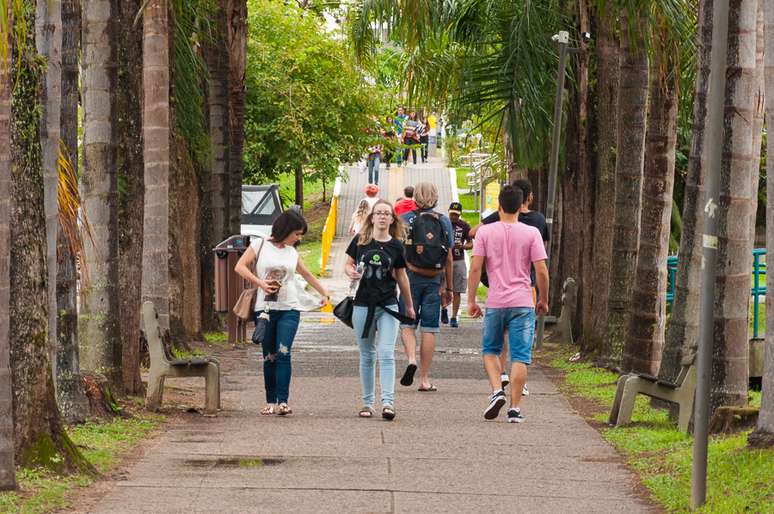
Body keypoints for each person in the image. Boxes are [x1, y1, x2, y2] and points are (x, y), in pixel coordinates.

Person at [235, 211, 331, 416]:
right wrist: (260, 283)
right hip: (266, 308)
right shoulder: (260, 245)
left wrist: (324, 292)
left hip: (289, 307)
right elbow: (240, 266)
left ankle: (283, 402)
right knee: (269, 355)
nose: (299, 238)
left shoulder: (291, 252)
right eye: (296, 233)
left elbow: (305, 273)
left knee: (284, 352)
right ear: (285, 230)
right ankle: (269, 401)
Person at [467, 185, 549, 423]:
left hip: (496, 301)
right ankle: (515, 408)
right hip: (523, 302)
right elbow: (541, 271)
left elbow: (475, 268)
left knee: (490, 351)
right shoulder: (532, 233)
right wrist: (543, 298)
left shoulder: (485, 232)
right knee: (521, 357)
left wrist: (471, 300)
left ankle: (496, 391)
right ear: (522, 205)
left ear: (499, 206)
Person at [345, 200, 415, 421]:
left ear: (392, 219)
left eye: (387, 214)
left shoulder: (396, 246)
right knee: (367, 354)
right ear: (372, 217)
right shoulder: (361, 241)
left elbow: (402, 277)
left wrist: (409, 305)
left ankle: (388, 402)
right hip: (363, 304)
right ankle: (367, 403)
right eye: (379, 213)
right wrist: (350, 272)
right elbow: (347, 263)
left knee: (386, 353)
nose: (383, 217)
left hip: (388, 305)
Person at [398, 182, 454, 391]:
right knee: (429, 329)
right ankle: (424, 379)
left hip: (409, 280)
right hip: (434, 281)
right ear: (436, 197)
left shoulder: (404, 219)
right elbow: (448, 257)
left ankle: (411, 358)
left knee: (407, 325)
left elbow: (398, 253)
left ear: (415, 198)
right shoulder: (444, 221)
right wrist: (448, 287)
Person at [439, 202, 472, 328]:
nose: (454, 217)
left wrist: (462, 246)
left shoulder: (464, 226)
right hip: (444, 260)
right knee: (442, 287)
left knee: (457, 289)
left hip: (458, 259)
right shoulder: (443, 223)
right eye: (452, 214)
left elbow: (471, 243)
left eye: (456, 215)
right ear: (448, 212)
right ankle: (444, 309)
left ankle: (454, 316)